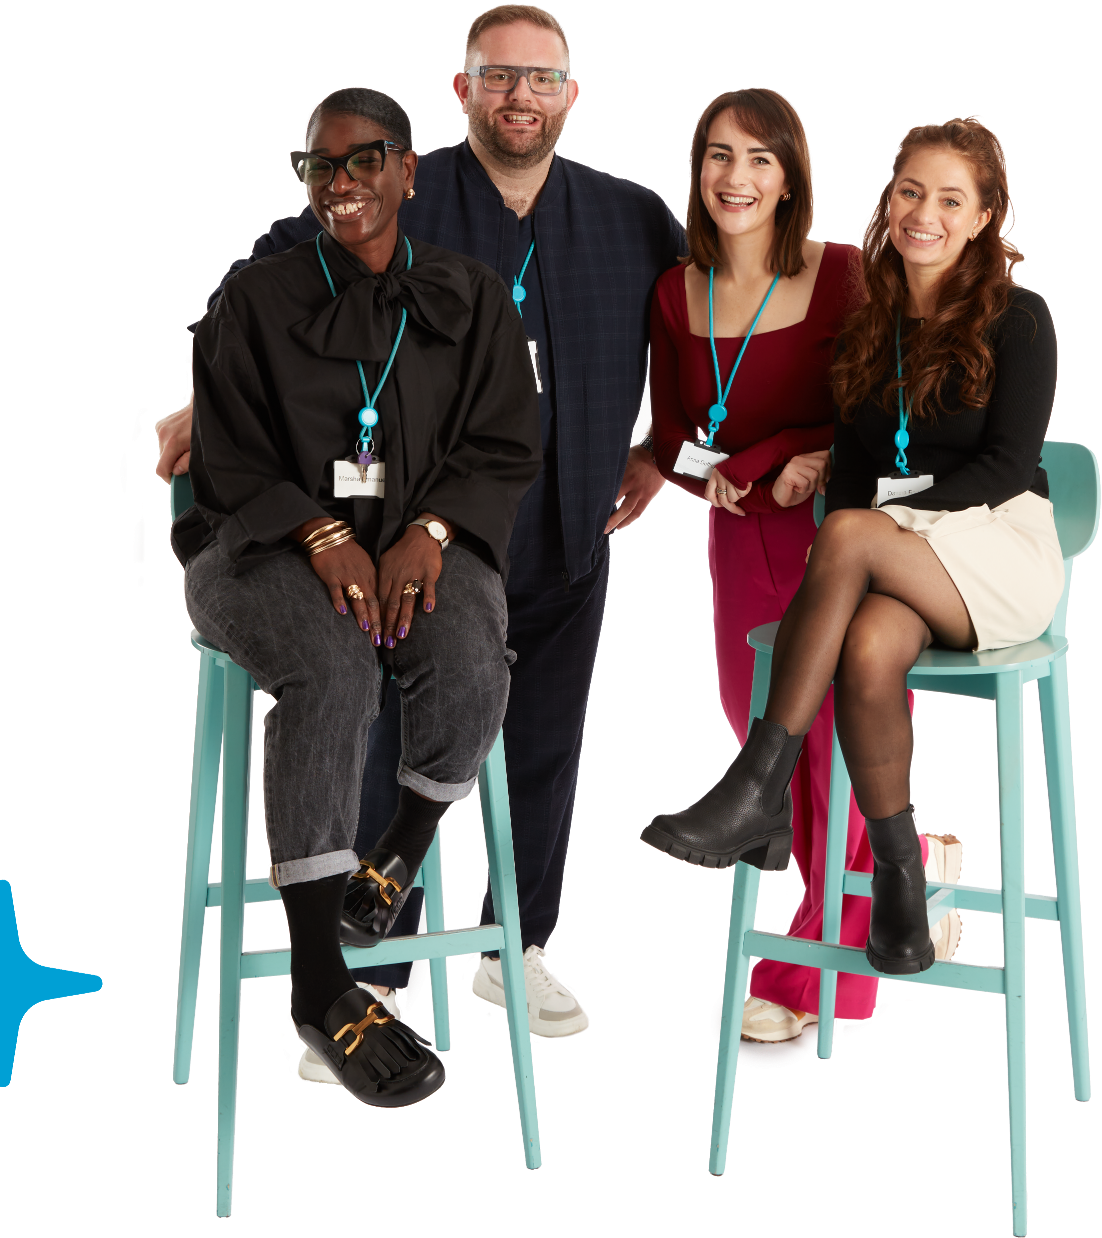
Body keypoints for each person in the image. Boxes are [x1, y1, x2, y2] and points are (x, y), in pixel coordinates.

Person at [156, 3, 686, 1074]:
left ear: (571, 91)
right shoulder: (387, 199)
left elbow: (695, 322)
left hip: (547, 520)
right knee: (358, 699)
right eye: (498, 76)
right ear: (461, 89)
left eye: (540, 78)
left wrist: (662, 447)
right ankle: (369, 963)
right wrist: (199, 401)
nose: (519, 97)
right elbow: (266, 286)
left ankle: (514, 947)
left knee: (537, 739)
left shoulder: (630, 216)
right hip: (379, 524)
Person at [172, 87, 542, 1106]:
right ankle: (319, 982)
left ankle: (398, 852)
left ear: (409, 169)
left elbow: (505, 442)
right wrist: (322, 533)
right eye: (320, 166)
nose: (341, 183)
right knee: (331, 664)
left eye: (363, 160)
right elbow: (229, 459)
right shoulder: (253, 298)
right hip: (259, 542)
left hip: (422, 536)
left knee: (469, 651)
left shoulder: (468, 297)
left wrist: (425, 529)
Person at [644, 114, 1058, 986]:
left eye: (951, 199)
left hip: (994, 550)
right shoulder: (870, 324)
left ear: (985, 216)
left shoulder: (1017, 317)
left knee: (846, 530)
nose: (925, 214)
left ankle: (759, 784)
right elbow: (856, 473)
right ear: (887, 199)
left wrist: (878, 516)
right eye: (911, 191)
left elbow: (1004, 467)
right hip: (902, 558)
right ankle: (902, 880)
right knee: (866, 644)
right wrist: (821, 487)